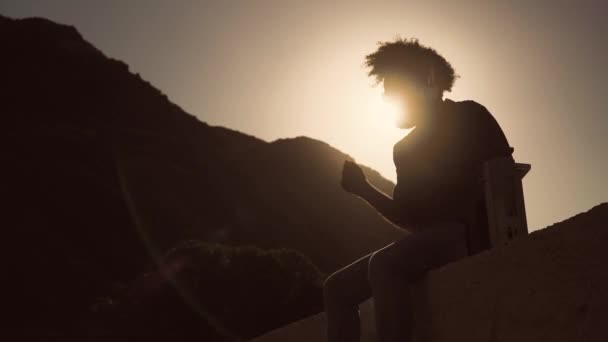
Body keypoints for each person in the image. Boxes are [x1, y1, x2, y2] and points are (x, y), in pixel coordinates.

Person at [323, 38, 514, 342]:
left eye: (395, 89)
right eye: (387, 93)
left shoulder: (470, 116)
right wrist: (363, 189)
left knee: (385, 264)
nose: (388, 98)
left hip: (470, 235)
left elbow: (505, 174)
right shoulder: (404, 149)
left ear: (429, 79)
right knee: (336, 288)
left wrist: (503, 238)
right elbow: (408, 217)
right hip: (434, 241)